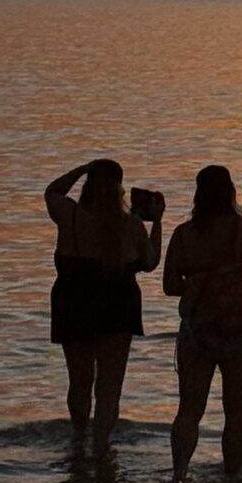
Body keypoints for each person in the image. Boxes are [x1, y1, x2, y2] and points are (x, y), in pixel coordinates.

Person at [164, 165, 242, 476]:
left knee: (189, 409)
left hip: (197, 331)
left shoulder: (184, 234)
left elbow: (170, 286)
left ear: (198, 194)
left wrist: (200, 283)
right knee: (237, 408)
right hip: (241, 331)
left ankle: (180, 476)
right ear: (231, 191)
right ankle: (232, 477)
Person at [45, 157, 162, 452]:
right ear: (119, 189)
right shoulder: (131, 225)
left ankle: (79, 438)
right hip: (117, 305)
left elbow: (52, 191)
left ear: (87, 186)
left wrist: (81, 168)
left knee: (79, 380)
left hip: (73, 301)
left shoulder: (69, 215)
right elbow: (150, 263)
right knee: (109, 387)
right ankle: (101, 448)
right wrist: (158, 221)